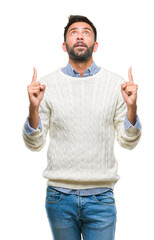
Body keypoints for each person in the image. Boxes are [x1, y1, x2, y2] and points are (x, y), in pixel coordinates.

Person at [23, 15, 141, 240]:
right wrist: (33, 108)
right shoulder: (46, 86)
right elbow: (34, 143)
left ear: (95, 45)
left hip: (101, 199)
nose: (79, 36)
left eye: (86, 32)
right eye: (73, 32)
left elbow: (128, 141)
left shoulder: (116, 85)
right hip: (59, 198)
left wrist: (132, 108)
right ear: (64, 45)